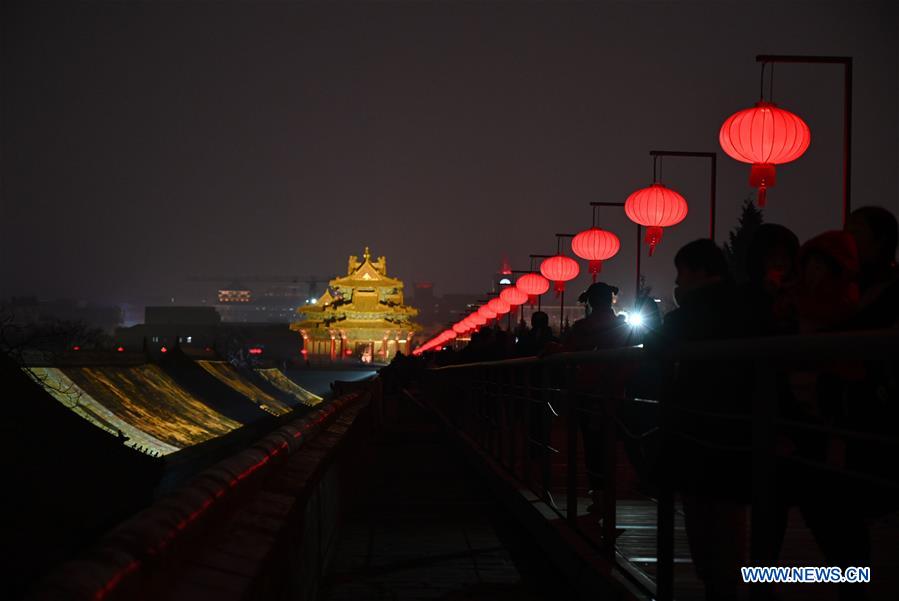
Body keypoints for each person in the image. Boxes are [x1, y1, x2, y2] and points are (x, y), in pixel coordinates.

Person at [655, 239, 752, 601]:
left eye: (681, 273)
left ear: (698, 271)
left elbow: (658, 345)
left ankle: (716, 581)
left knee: (701, 510)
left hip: (697, 423)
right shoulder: (746, 305)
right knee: (729, 512)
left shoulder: (689, 316)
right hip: (738, 422)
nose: (678, 282)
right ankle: (734, 581)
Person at [562, 283, 630, 514]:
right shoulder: (623, 327)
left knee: (592, 446)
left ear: (590, 302)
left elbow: (568, 352)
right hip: (616, 393)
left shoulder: (583, 328)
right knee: (612, 444)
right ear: (610, 300)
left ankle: (599, 494)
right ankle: (610, 491)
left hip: (589, 394)